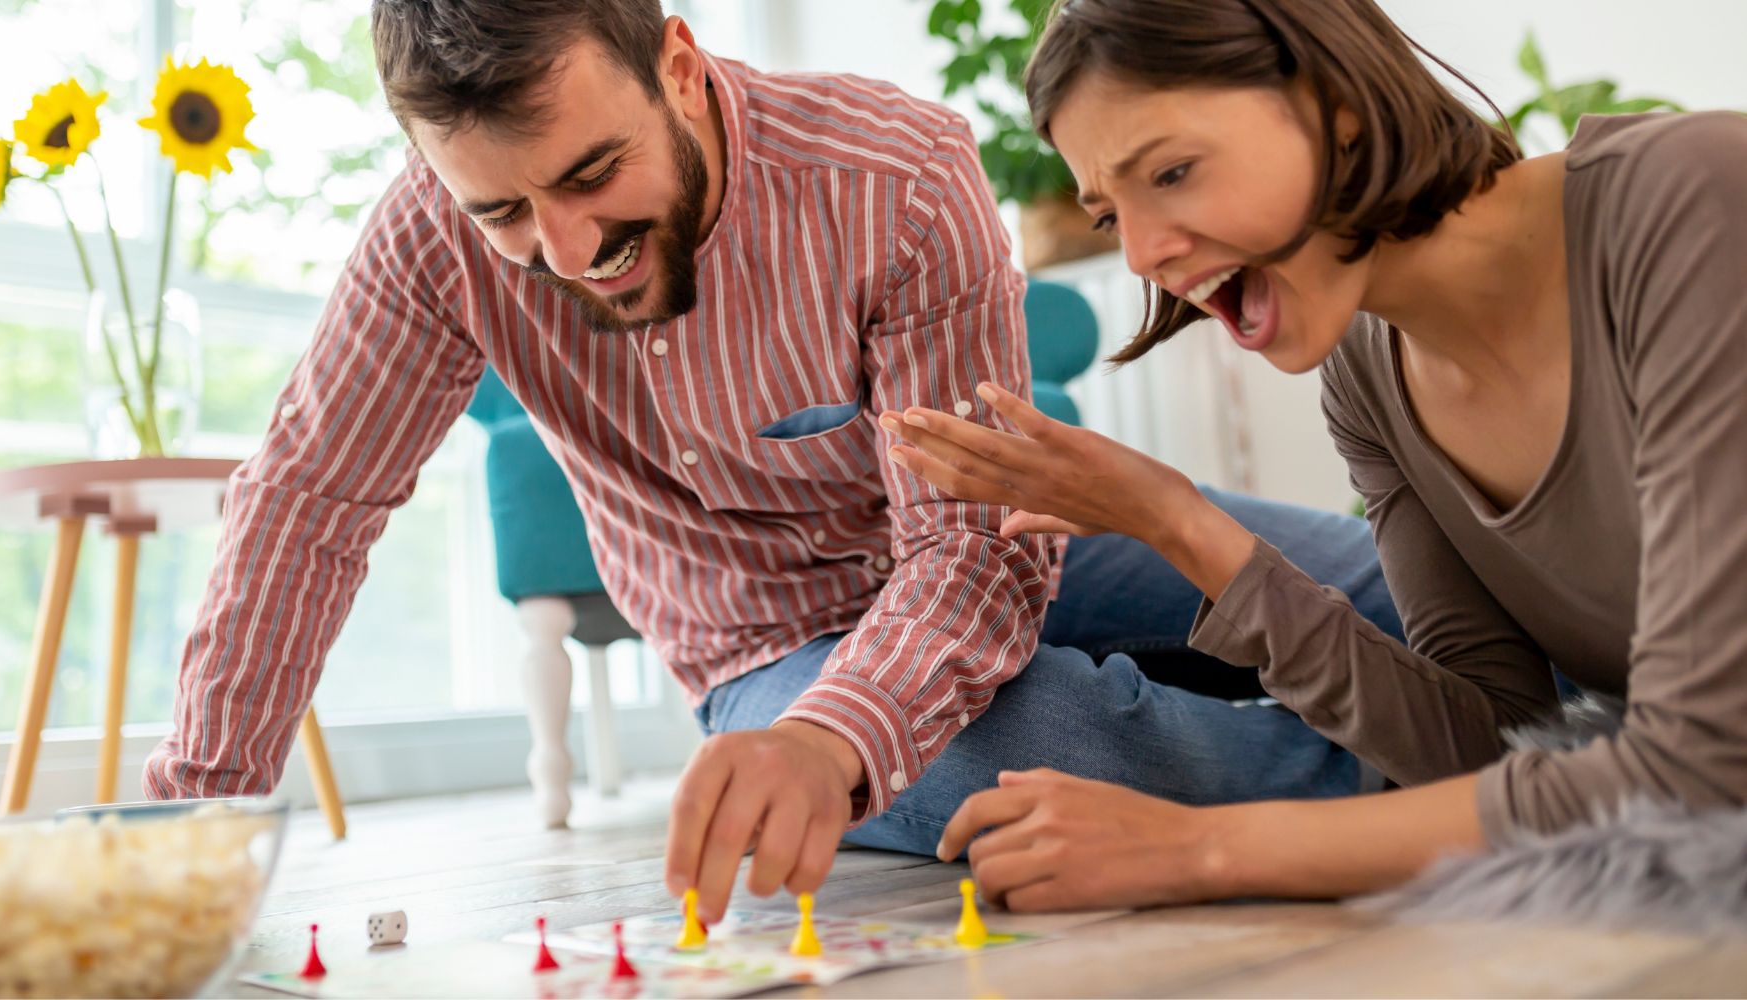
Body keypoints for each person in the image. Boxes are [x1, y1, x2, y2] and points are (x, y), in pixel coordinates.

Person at [142, 0, 1401, 922]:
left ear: (678, 68)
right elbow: (306, 505)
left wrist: (838, 733)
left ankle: (1501, 726)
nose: (570, 249)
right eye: (506, 213)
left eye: (592, 173)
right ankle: (1474, 793)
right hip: (763, 651)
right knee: (1035, 742)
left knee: (1380, 582)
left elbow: (968, 545)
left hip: (1008, 539)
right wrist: (194, 826)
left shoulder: (896, 175)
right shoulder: (426, 241)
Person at [885, 0, 1747, 911]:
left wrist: (1207, 847)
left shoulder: (1687, 199)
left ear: (1336, 102)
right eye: (1109, 217)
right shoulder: (1368, 378)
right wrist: (1178, 524)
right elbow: (1494, 749)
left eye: (1171, 172)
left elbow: (1704, 764)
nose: (1143, 254)